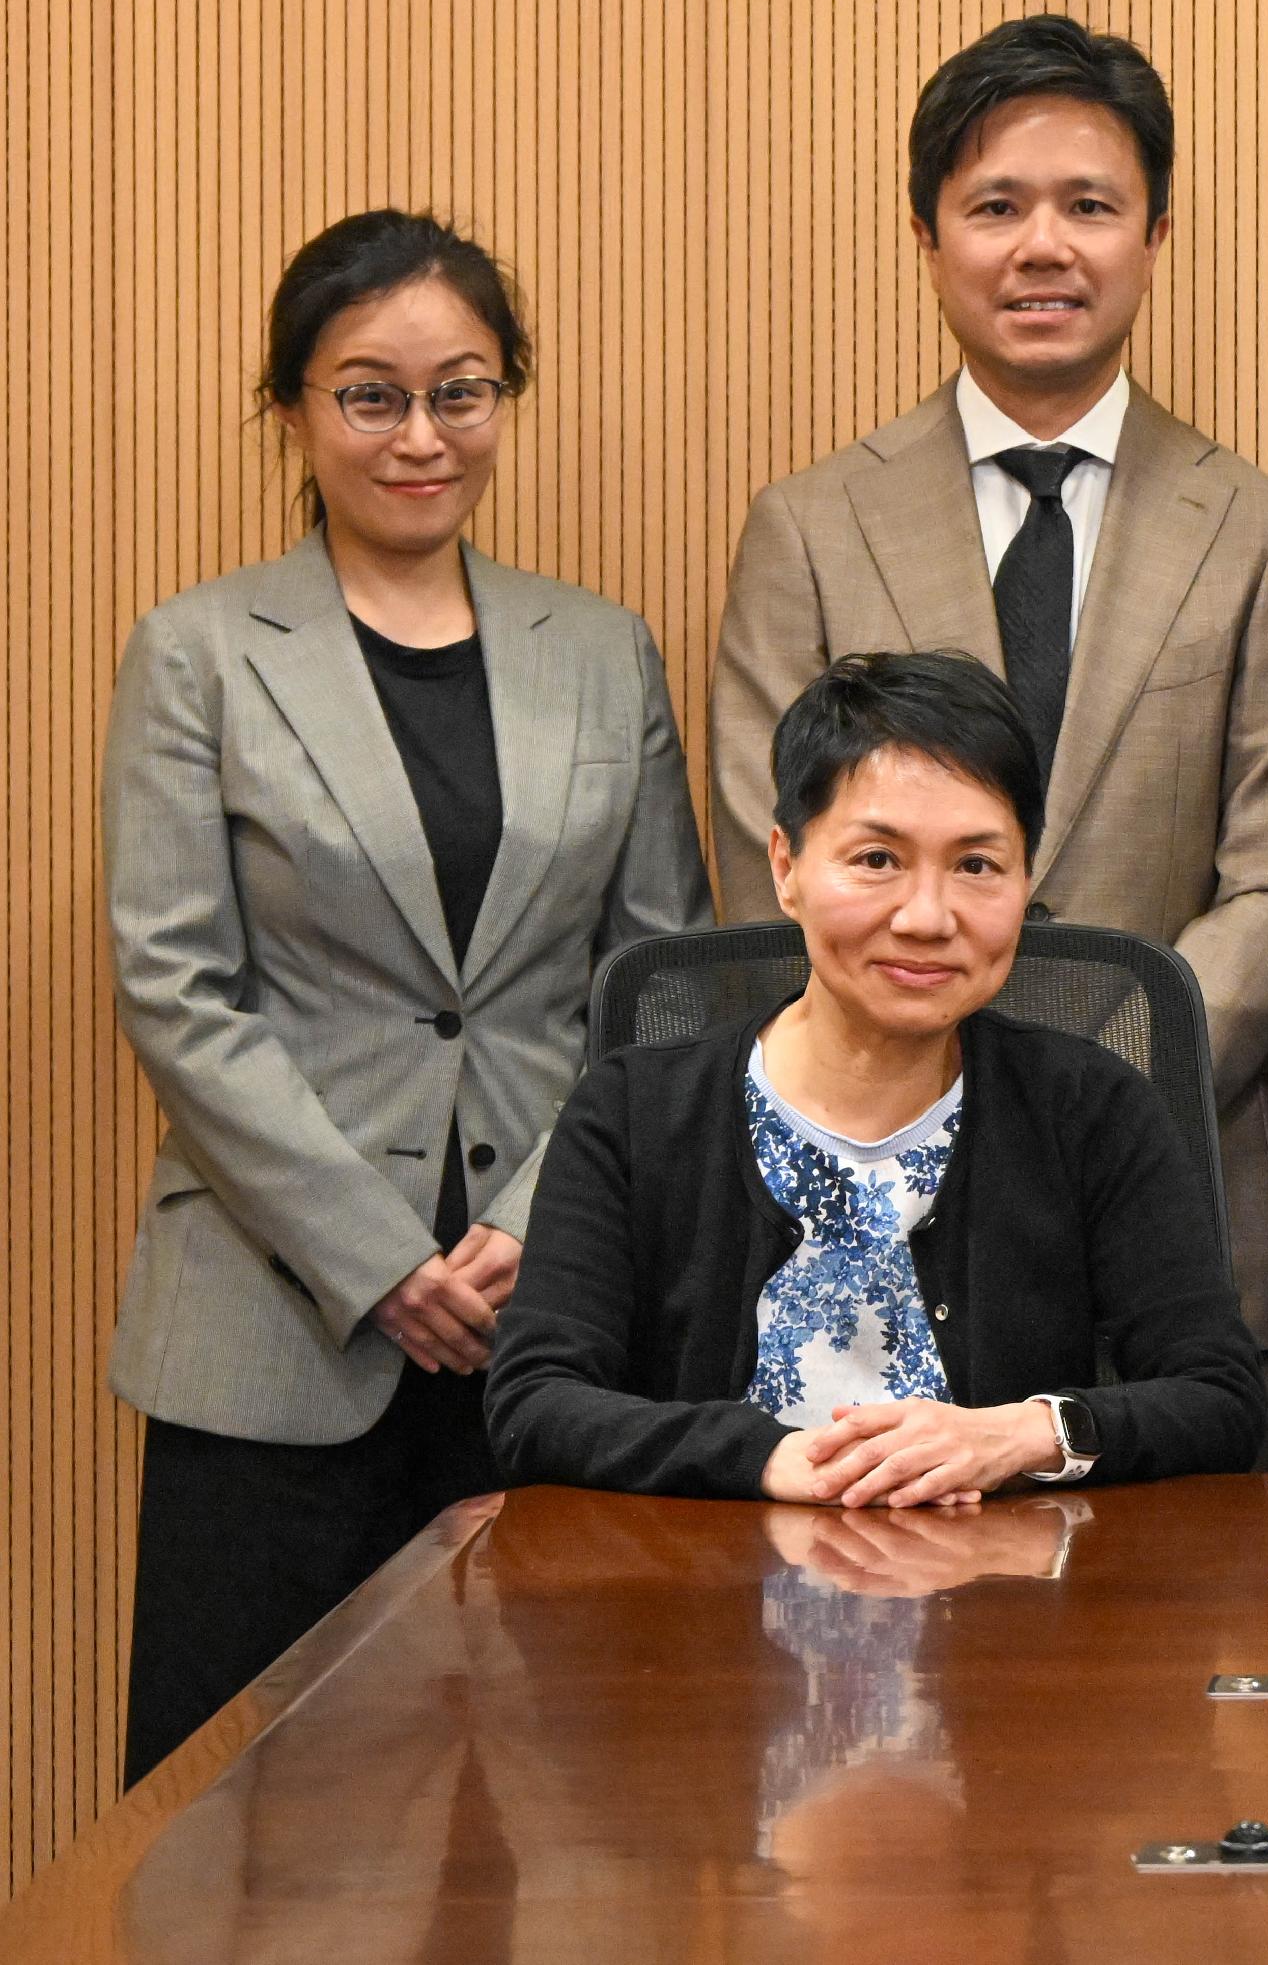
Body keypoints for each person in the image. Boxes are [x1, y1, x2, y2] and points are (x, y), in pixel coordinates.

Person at [104, 210, 712, 1782]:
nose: (420, 434)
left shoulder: (604, 653)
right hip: (274, 1325)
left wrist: (539, 1215)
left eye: (463, 390)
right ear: (295, 408)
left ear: (507, 398)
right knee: (236, 1822)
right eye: (370, 392)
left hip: (550, 1316)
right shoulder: (200, 653)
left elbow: (656, 983)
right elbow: (178, 988)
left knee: (547, 1822)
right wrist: (378, 1256)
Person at [710, 15, 1268, 1353]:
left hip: (1173, 1200)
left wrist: (1080, 1098)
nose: (1044, 246)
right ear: (930, 237)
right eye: (996, 206)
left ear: (1154, 235)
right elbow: (766, 864)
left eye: (1090, 206)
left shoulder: (1263, 532)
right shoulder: (810, 529)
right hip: (860, 1218)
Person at [490, 651, 1267, 1499]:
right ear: (785, 867)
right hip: (702, 1604)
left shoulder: (1092, 1106)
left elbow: (1219, 1398)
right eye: (876, 860)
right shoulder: (634, 1110)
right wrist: (765, 1456)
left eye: (977, 865)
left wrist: (1023, 1432)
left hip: (1002, 1610)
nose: (928, 917)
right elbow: (536, 1403)